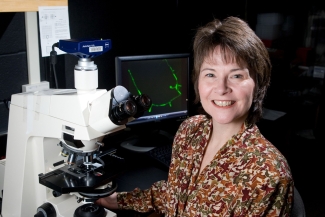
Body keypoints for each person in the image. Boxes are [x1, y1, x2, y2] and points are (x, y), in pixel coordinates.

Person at [96, 16, 294, 216]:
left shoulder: (268, 172)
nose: (221, 88)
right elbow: (175, 195)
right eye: (210, 74)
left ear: (258, 83)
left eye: (236, 75)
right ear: (197, 80)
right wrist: (121, 200)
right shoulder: (190, 130)